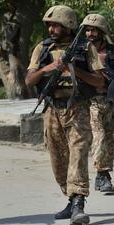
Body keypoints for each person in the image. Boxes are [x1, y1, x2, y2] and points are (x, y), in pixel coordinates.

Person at [25, 5, 105, 225]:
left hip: (77, 108)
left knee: (78, 153)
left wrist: (74, 70)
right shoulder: (42, 48)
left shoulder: (85, 47)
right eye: (49, 25)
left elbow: (100, 81)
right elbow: (29, 81)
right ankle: (71, 199)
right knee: (58, 159)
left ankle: (79, 202)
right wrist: (48, 69)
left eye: (56, 25)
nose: (51, 29)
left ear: (68, 25)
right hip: (52, 109)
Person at [81, 14, 114, 192]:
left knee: (109, 139)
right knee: (100, 137)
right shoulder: (81, 51)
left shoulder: (111, 52)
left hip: (110, 101)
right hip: (90, 102)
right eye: (87, 30)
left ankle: (104, 175)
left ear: (101, 32)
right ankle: (102, 175)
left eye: (93, 30)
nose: (90, 33)